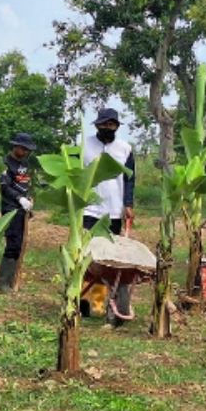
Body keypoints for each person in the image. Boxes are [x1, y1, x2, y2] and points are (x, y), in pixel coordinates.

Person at [82, 108, 136, 325]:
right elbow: (77, 174)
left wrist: (129, 204)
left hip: (114, 211)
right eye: (104, 124)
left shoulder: (125, 149)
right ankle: (86, 306)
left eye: (112, 125)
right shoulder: (84, 145)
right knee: (88, 259)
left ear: (117, 127)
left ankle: (102, 305)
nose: (107, 128)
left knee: (110, 261)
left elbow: (130, 179)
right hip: (89, 210)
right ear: (97, 125)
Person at [0, 133, 37, 292]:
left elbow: (25, 184)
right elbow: (5, 187)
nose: (26, 152)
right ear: (15, 146)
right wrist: (19, 199)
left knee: (20, 244)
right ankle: (4, 282)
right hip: (10, 209)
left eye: (28, 149)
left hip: (23, 210)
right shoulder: (5, 163)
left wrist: (28, 202)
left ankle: (13, 279)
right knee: (12, 243)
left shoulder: (25, 164)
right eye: (23, 148)